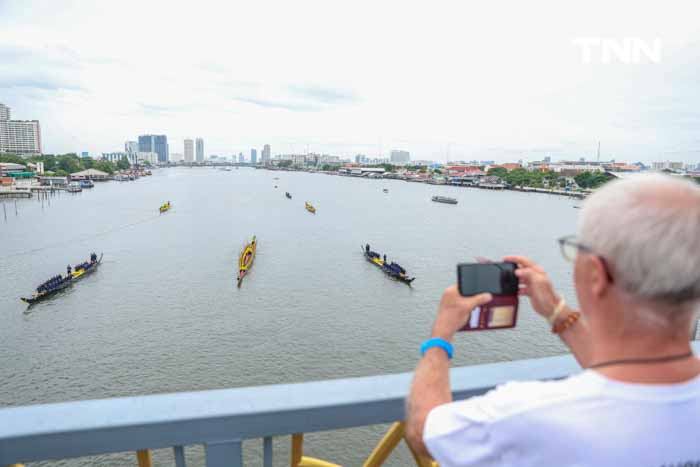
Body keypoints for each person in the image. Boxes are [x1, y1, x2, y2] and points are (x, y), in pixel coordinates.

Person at [406, 174, 700, 467]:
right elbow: (632, 383)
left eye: (577, 250)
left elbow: (423, 432)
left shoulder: (527, 414)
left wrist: (440, 336)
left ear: (596, 274)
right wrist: (556, 312)